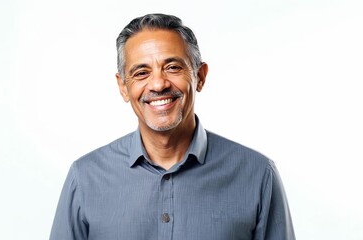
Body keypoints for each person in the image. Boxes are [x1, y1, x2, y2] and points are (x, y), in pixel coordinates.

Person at [49, 13, 295, 240]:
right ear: (123, 86)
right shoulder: (85, 178)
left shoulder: (258, 174)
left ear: (200, 76)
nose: (158, 84)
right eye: (141, 73)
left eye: (173, 67)